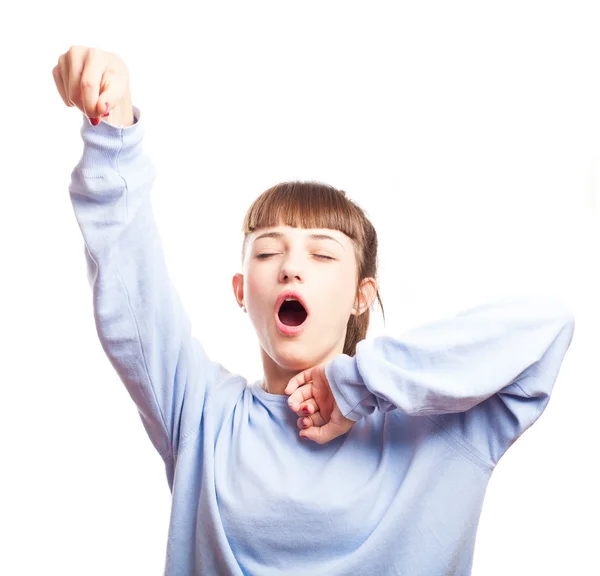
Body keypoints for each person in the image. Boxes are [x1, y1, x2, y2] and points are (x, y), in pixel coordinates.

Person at [54, 46, 576, 576]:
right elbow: (128, 283)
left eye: (322, 253)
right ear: (242, 290)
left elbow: (546, 326)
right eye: (267, 251)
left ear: (361, 296)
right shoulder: (201, 411)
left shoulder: (439, 431)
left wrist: (358, 383)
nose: (291, 268)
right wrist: (112, 129)